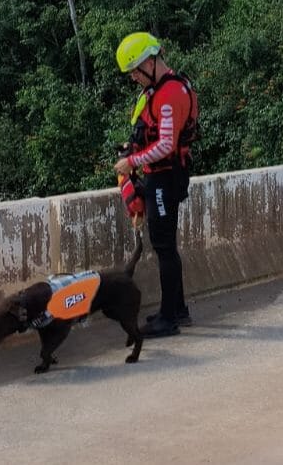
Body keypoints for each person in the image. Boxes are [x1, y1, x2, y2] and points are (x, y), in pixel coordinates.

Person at [114, 32, 199, 338]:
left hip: (164, 177)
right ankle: (177, 310)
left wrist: (131, 163)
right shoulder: (161, 89)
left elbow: (165, 144)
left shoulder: (168, 94)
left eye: (136, 70)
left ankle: (169, 318)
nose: (134, 77)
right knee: (166, 247)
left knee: (164, 247)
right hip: (162, 175)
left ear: (151, 62)